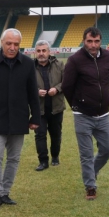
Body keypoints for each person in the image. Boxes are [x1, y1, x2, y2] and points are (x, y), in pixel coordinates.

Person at [0, 28, 41, 208]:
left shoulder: (28, 64)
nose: (12, 47)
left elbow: (32, 94)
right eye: (9, 44)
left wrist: (35, 116)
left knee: (14, 158)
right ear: (2, 44)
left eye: (16, 44)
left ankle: (6, 192)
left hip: (19, 119)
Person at [62, 27, 109, 200]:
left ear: (101, 41)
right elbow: (67, 87)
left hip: (103, 115)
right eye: (89, 41)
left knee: (107, 149)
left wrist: (103, 98)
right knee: (86, 153)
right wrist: (77, 105)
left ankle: (91, 172)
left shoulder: (108, 57)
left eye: (97, 41)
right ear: (83, 41)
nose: (93, 45)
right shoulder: (75, 60)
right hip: (83, 115)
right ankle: (90, 186)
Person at [33, 40, 66, 171]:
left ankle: (55, 157)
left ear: (49, 52)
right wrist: (35, 91)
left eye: (44, 50)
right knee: (40, 135)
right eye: (39, 51)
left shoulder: (59, 65)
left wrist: (57, 89)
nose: (41, 54)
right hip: (38, 108)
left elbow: (66, 81)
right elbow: (23, 85)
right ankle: (43, 161)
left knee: (56, 134)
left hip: (56, 108)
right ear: (35, 52)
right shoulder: (29, 67)